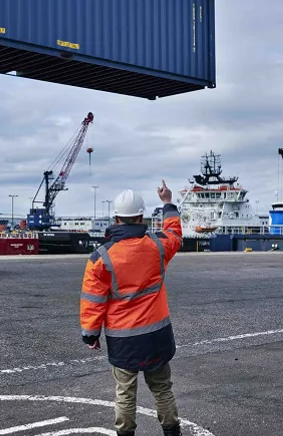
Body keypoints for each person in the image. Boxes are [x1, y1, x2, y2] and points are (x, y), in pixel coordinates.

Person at [80, 179, 184, 436]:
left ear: (116, 219)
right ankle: (172, 432)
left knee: (125, 393)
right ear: (141, 217)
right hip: (157, 336)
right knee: (162, 388)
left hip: (123, 338)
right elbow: (175, 234)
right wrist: (168, 202)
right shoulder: (157, 247)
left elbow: (93, 300)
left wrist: (90, 335)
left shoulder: (101, 257)